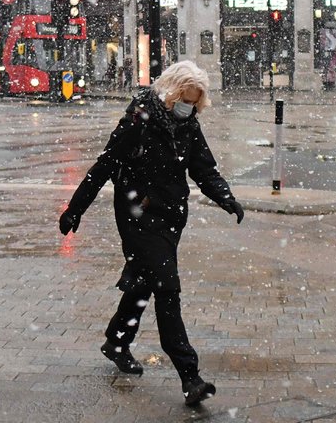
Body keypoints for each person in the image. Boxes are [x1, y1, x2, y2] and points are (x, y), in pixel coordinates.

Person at [58, 60, 244, 407]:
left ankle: (116, 340)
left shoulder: (187, 124)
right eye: (185, 100)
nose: (189, 108)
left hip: (171, 218)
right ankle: (190, 376)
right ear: (172, 94)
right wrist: (74, 209)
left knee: (145, 282)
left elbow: (204, 168)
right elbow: (105, 164)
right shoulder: (139, 120)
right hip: (137, 216)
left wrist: (226, 198)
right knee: (167, 287)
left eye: (195, 102)